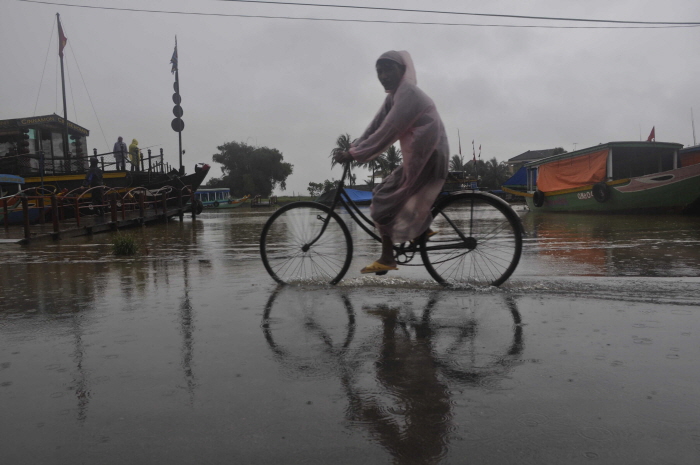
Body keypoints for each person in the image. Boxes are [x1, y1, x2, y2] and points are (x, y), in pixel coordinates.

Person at [333, 50, 449, 274]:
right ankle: (421, 230)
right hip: (424, 156)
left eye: (388, 69)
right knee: (385, 193)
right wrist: (353, 148)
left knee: (382, 200)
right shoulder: (394, 97)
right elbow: (375, 127)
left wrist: (355, 155)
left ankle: (388, 257)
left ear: (402, 70)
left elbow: (389, 130)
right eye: (379, 72)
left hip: (428, 156)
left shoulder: (409, 95)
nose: (383, 76)